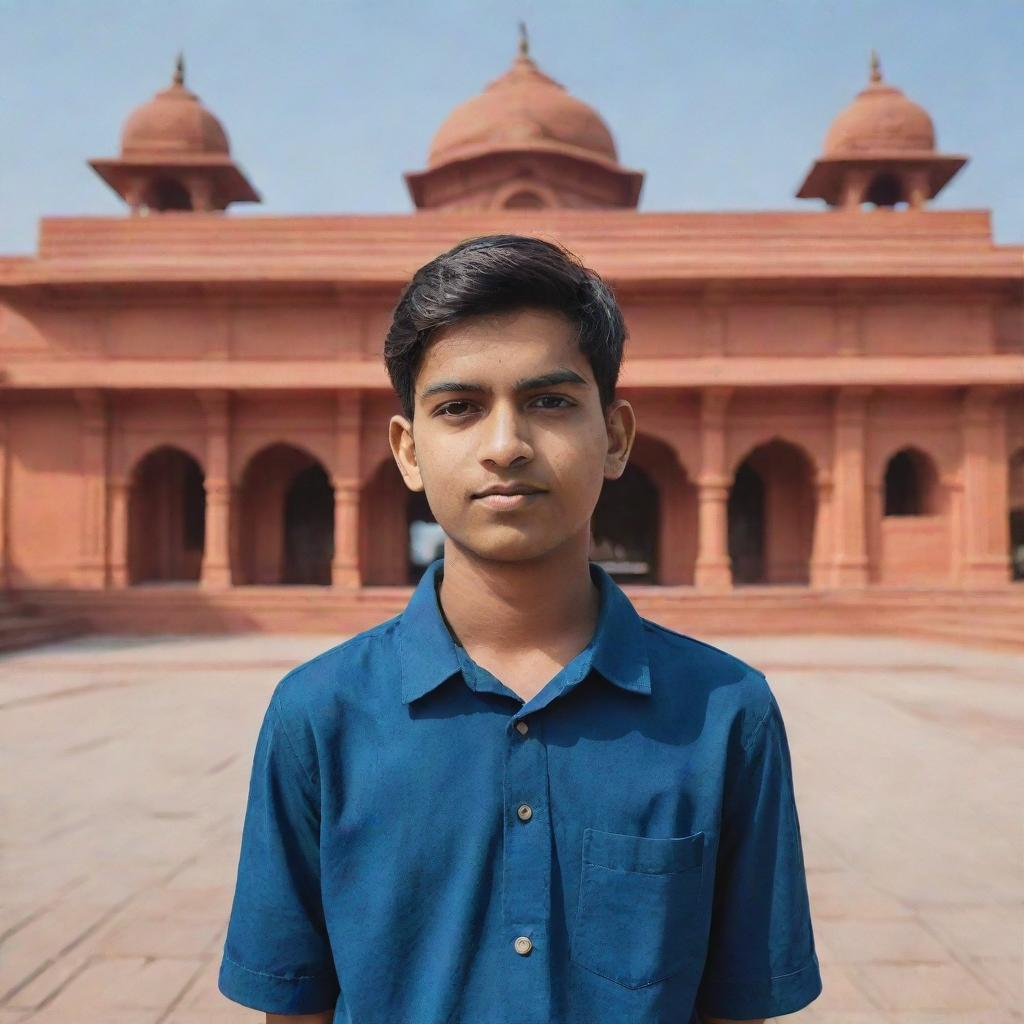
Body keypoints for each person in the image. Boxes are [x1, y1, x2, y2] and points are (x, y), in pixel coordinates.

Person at [216, 234, 823, 1024]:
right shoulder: (321, 714)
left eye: (550, 401)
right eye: (459, 408)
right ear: (408, 450)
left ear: (615, 437)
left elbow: (738, 1006)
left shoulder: (722, 714)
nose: (505, 446)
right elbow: (293, 1006)